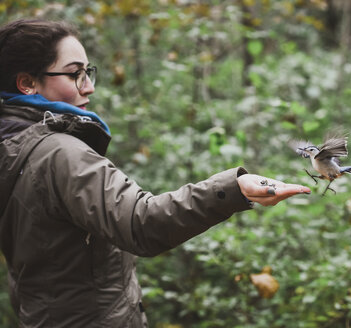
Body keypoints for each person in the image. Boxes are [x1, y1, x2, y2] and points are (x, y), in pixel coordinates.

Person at [0, 19, 310, 327]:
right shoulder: (59, 154)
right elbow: (140, 223)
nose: (89, 86)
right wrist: (233, 188)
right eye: (75, 74)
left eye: (87, 72)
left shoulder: (11, 146)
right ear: (27, 83)